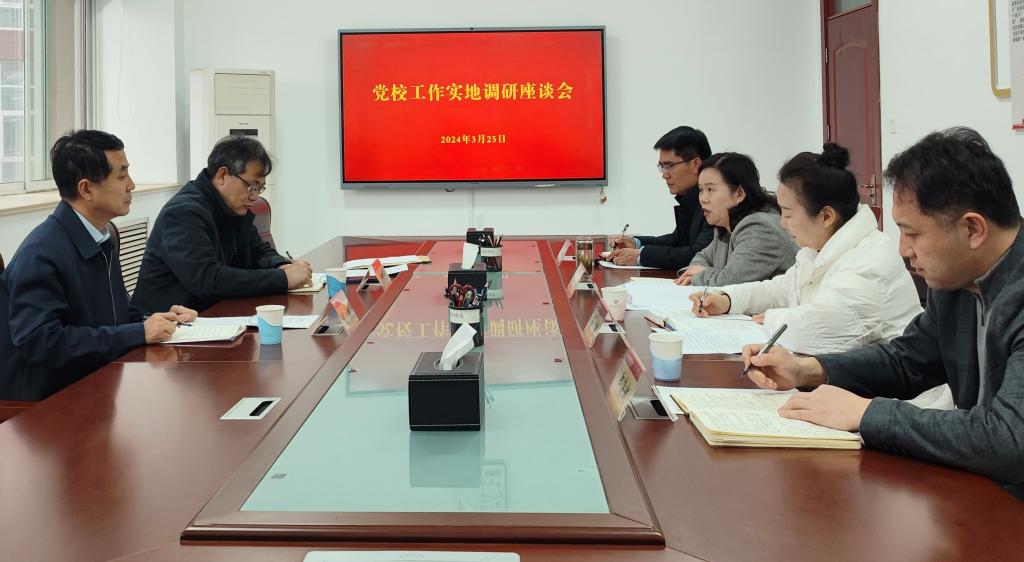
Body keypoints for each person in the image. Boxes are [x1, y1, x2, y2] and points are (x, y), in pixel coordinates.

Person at [743, 127, 1024, 499]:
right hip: (983, 490)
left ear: (972, 229)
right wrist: (809, 369)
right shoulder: (958, 279)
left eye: (912, 233)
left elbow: (1008, 439)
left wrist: (866, 414)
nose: (903, 249)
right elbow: (909, 361)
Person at [0, 130, 196, 401]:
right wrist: (138, 332)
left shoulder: (101, 236)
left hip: (95, 379)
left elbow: (114, 317)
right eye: (122, 175)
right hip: (46, 401)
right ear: (86, 189)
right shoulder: (42, 253)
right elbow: (42, 342)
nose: (132, 185)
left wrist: (158, 321)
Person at [689, 143, 922, 354]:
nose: (782, 223)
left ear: (826, 216)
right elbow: (778, 290)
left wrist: (770, 318)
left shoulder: (869, 261)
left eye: (788, 214)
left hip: (886, 386)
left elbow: (816, 332)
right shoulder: (818, 248)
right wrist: (728, 300)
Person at [131, 135, 312, 314]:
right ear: (222, 175)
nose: (255, 196)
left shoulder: (232, 207)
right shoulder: (183, 213)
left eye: (259, 188)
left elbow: (258, 250)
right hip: (167, 324)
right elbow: (208, 280)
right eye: (251, 186)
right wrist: (284, 279)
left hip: (210, 315)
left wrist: (282, 266)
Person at [675, 152, 797, 286]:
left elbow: (730, 281)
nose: (703, 198)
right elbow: (700, 259)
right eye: (701, 190)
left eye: (710, 189)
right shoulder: (725, 226)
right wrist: (702, 273)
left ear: (739, 194)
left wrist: (700, 274)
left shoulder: (759, 228)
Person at [608, 126, 714, 269]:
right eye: (662, 167)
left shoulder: (714, 202)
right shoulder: (690, 199)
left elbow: (698, 255)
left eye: (669, 166)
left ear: (695, 164)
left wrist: (641, 256)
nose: (664, 175)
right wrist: (636, 243)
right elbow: (677, 240)